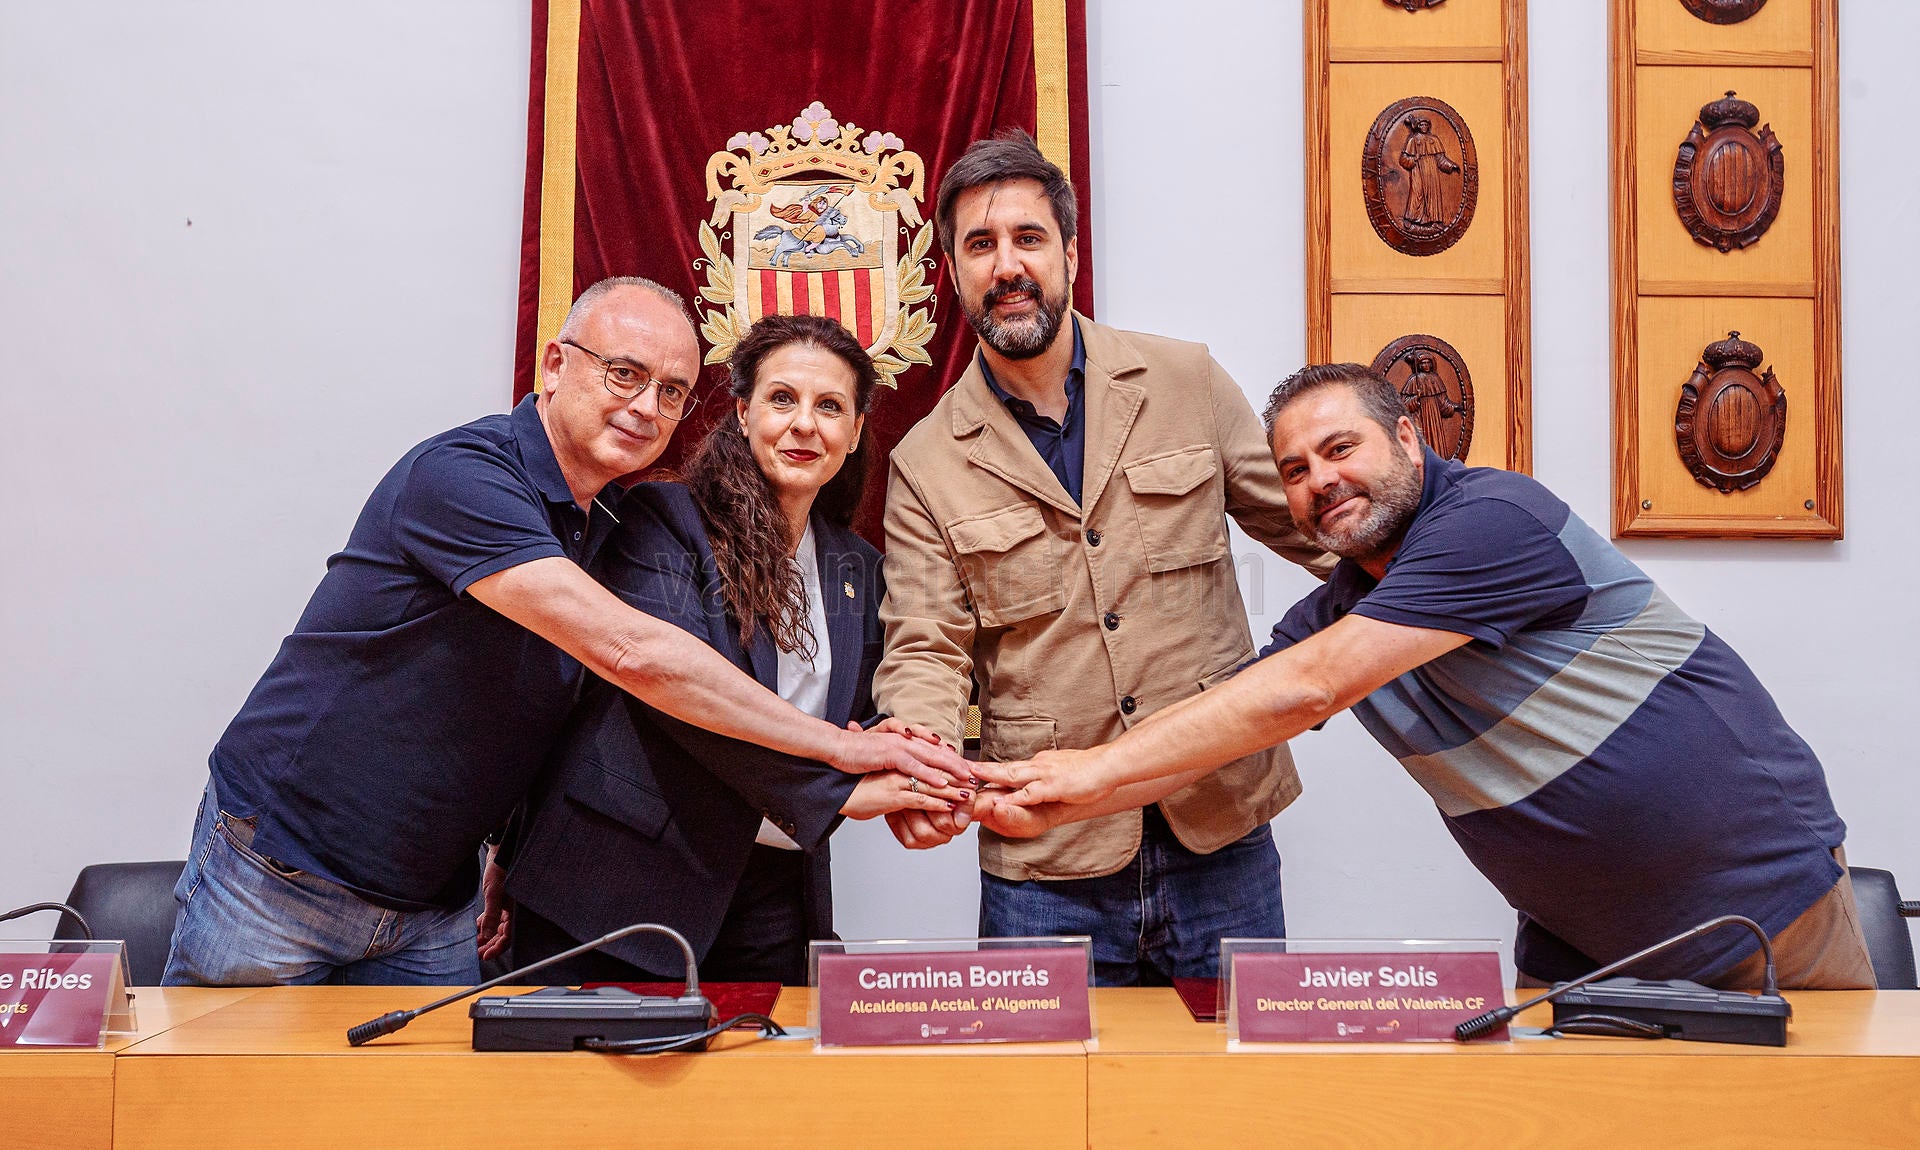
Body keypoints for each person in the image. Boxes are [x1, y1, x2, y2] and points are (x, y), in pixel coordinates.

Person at [162, 278, 967, 987]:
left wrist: (504, 847)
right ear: (554, 365)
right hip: (286, 870)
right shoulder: (466, 476)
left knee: (430, 1105)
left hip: (436, 899)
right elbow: (635, 659)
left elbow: (549, 711)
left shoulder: (602, 517)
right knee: (214, 1097)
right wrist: (842, 759)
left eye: (671, 391)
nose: (644, 406)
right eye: (624, 374)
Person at [977, 362, 1874, 989]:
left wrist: (1089, 771)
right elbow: (1220, 737)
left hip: (1762, 913)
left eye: (1341, 449)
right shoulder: (1340, 612)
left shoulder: (1493, 519)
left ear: (1408, 438)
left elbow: (1308, 688)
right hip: (1584, 953)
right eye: (1295, 471)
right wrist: (1053, 799)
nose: (1321, 481)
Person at [871, 132, 1333, 987]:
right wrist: (924, 761)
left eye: (1028, 238)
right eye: (980, 245)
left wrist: (1417, 604)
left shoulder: (1186, 380)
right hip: (1046, 861)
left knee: (1235, 1074)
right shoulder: (925, 462)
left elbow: (1318, 530)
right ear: (953, 273)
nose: (1007, 265)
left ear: (1072, 255)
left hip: (1222, 828)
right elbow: (924, 647)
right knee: (1044, 1079)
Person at [495, 314, 965, 984]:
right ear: (743, 414)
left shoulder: (860, 568)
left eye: (830, 407)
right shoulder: (663, 520)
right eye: (782, 399)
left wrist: (918, 768)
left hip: (776, 898)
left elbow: (869, 717)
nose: (805, 425)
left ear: (856, 431)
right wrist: (841, 788)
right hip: (617, 890)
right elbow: (680, 700)